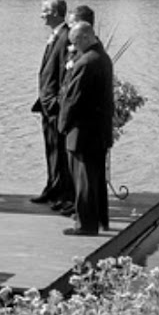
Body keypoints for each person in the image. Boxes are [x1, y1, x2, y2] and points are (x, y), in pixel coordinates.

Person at [59, 20, 114, 236]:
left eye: (75, 43)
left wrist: (62, 125)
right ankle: (99, 219)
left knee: (84, 180)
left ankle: (86, 224)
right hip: (99, 130)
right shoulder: (102, 57)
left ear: (84, 37)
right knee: (95, 178)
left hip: (84, 131)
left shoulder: (87, 63)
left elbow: (73, 99)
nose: (74, 48)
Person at [30, 0, 74, 214]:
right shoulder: (55, 36)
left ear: (56, 13)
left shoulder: (66, 37)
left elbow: (67, 76)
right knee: (51, 149)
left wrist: (56, 102)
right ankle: (52, 187)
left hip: (56, 107)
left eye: (45, 10)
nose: (42, 14)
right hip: (46, 106)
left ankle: (63, 193)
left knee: (60, 152)